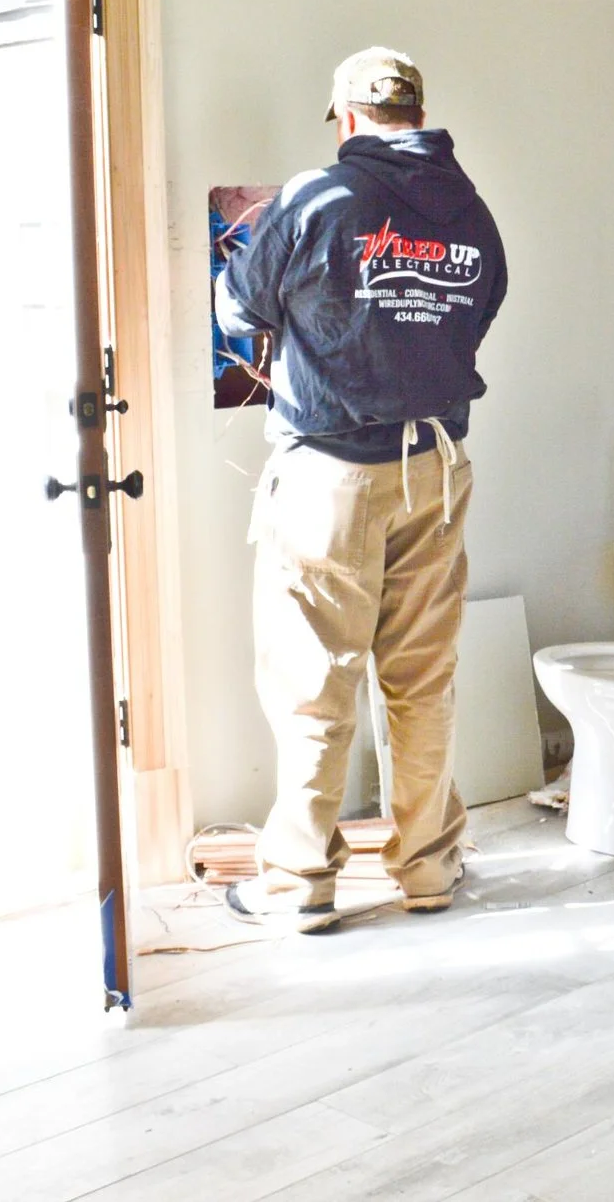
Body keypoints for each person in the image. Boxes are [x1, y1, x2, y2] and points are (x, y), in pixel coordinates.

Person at [213, 47, 508, 932]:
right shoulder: (470, 207)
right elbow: (481, 310)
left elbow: (238, 307)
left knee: (314, 681)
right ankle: (426, 870)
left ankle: (300, 885)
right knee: (422, 679)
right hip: (437, 469)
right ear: (418, 110)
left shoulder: (317, 197)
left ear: (345, 117)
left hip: (332, 472)